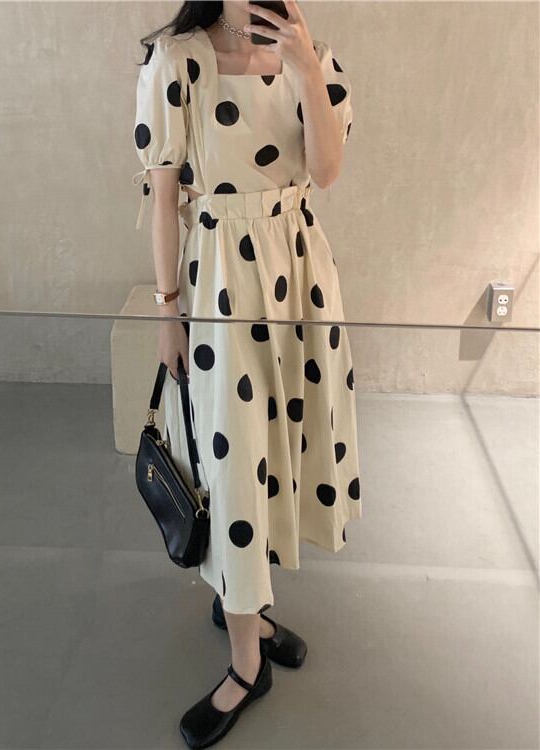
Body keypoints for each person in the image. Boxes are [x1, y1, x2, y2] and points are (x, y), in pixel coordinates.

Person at [132, 1, 362, 746]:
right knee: (233, 460)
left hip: (300, 279)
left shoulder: (312, 57)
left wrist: (304, 67)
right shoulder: (176, 61)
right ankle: (245, 663)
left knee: (277, 452)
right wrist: (167, 310)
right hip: (221, 285)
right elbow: (162, 196)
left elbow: (326, 172)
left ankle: (250, 610)